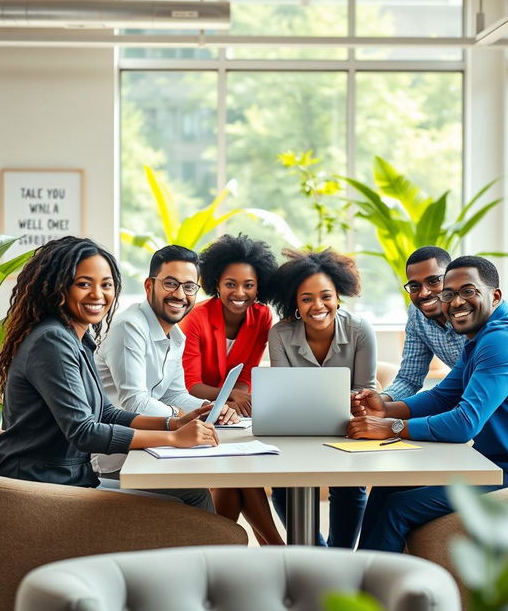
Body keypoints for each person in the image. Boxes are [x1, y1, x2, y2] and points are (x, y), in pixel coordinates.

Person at [348, 255, 508, 553]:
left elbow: (464, 423)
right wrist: (385, 408)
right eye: (449, 294)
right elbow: (443, 395)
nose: (456, 302)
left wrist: (391, 427)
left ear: (494, 296)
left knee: (398, 509)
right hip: (495, 464)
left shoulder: (502, 341)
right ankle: (355, 581)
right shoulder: (480, 337)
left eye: (468, 291)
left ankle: (372, 597)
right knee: (388, 484)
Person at [0, 236, 218, 510]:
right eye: (84, 284)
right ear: (58, 288)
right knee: (193, 498)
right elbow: (84, 432)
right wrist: (173, 439)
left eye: (106, 285)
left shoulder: (77, 337)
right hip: (42, 486)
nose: (98, 295)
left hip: (69, 478)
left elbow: (105, 413)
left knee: (192, 494)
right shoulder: (51, 341)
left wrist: (172, 424)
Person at [91, 244, 237, 477]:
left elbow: (174, 394)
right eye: (170, 284)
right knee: (204, 487)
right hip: (117, 457)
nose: (180, 295)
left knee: (229, 471)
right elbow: (135, 403)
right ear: (149, 286)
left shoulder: (176, 336)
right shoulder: (129, 327)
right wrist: (180, 416)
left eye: (189, 287)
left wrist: (209, 409)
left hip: (153, 445)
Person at [269, 248, 377, 548]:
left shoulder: (360, 330)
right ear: (295, 304)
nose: (318, 305)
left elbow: (366, 389)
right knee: (282, 488)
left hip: (348, 428)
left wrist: (357, 399)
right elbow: (282, 392)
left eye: (326, 296)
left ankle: (340, 557)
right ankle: (319, 555)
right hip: (297, 429)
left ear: (338, 296)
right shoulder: (280, 334)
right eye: (307, 299)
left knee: (350, 484)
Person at [180, 233, 284, 545]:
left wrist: (238, 393)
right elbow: (191, 384)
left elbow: (247, 371)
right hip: (198, 413)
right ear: (216, 283)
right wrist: (231, 395)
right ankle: (275, 547)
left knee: (239, 476)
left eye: (249, 285)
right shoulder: (196, 318)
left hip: (233, 417)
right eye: (230, 284)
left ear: (258, 285)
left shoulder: (262, 316)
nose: (240, 293)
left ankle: (234, 549)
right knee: (240, 475)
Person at [382, 246, 467, 401]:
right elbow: (409, 379)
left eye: (434, 281)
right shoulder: (416, 313)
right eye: (415, 286)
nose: (423, 293)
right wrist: (381, 401)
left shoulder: (476, 313)